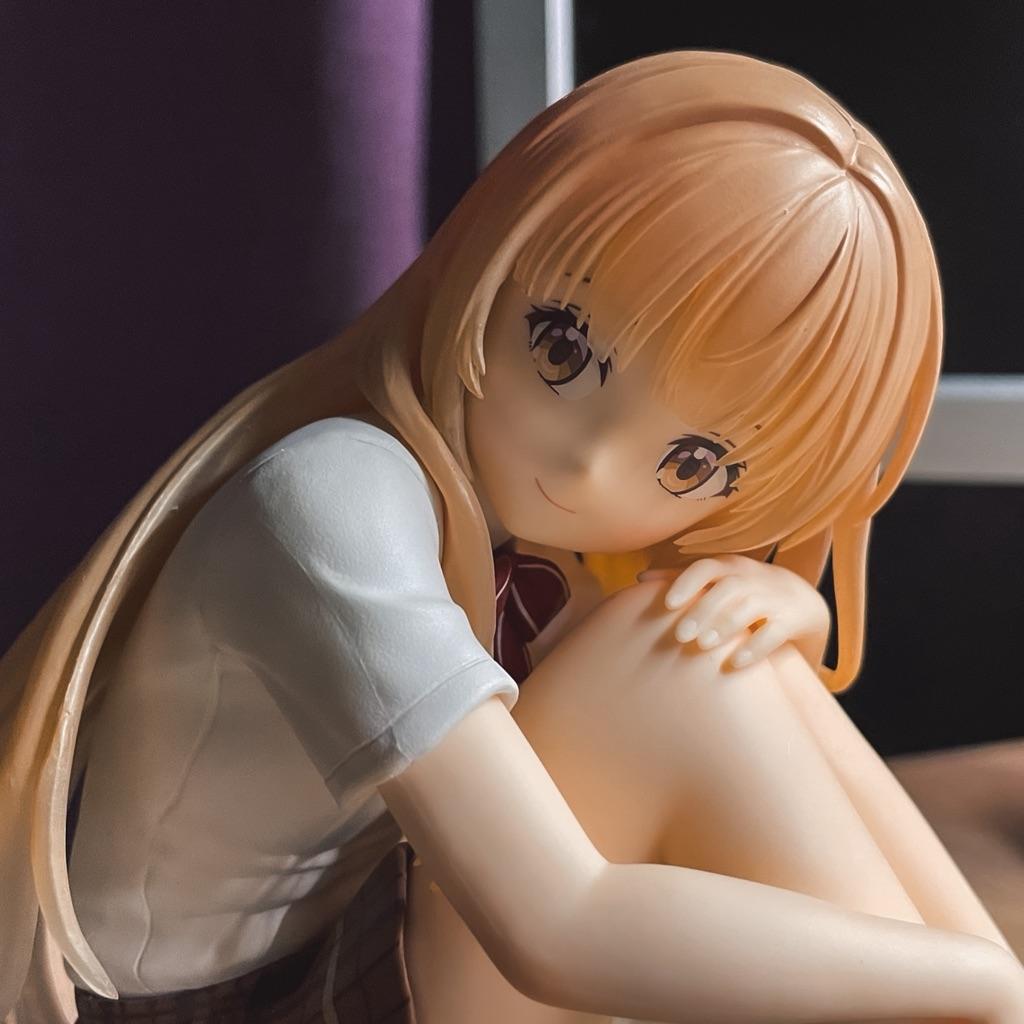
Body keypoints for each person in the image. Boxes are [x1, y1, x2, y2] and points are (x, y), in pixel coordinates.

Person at [2, 49, 1023, 1023]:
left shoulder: (507, 509)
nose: (589, 466)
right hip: (229, 1005)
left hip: (355, 942)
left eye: (693, 461)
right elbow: (557, 924)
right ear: (494, 252)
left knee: (709, 646)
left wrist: (789, 610)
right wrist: (970, 981)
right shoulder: (333, 500)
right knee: (677, 663)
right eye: (563, 348)